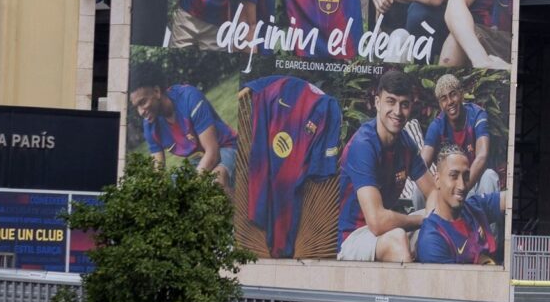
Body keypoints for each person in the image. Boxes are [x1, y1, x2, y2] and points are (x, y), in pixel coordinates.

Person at [234, 73, 345, 259]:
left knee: (287, 182)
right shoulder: (271, 92)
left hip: (300, 197)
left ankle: (279, 243)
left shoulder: (325, 106)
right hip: (267, 159)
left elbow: (324, 169)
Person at [337, 70, 431, 262]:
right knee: (398, 238)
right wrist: (422, 219)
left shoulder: (405, 143)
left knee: (438, 230)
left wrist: (434, 219)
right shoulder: (363, 144)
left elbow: (434, 192)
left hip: (387, 230)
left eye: (404, 104)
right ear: (378, 103)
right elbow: (377, 222)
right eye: (391, 101)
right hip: (354, 237)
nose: (397, 111)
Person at [128, 82, 237, 191]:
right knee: (173, 187)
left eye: (143, 102)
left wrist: (189, 188)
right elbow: (158, 172)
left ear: (157, 91)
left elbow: (213, 154)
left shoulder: (189, 97)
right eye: (136, 107)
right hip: (200, 158)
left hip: (226, 146)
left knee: (215, 183)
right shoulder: (150, 125)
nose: (141, 112)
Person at [413, 144, 504, 265]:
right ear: (437, 179)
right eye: (453, 176)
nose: (462, 186)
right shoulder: (432, 238)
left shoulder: (473, 207)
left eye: (466, 176)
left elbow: (507, 200)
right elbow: (452, 283)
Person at [423, 72, 499, 199]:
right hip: (448, 187)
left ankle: (486, 219)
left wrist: (462, 189)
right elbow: (422, 163)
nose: (449, 102)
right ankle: (429, 218)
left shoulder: (477, 115)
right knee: (418, 189)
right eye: (444, 99)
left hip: (474, 182)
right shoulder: (437, 125)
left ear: (461, 94)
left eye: (453, 94)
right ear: (440, 105)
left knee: (489, 176)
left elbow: (482, 156)